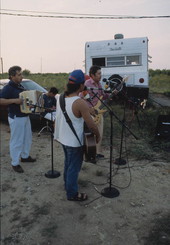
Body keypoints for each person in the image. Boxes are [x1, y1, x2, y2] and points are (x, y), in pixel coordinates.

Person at [54, 69, 100, 201]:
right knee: (74, 167)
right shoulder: (80, 102)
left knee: (68, 163)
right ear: (81, 86)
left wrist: (87, 109)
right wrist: (98, 136)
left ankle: (67, 185)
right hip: (74, 142)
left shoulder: (61, 97)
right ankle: (72, 194)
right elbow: (91, 125)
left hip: (63, 138)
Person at [0, 66, 36, 173]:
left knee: (27, 138)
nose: (22, 76)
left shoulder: (19, 86)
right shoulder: (8, 87)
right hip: (16, 118)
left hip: (25, 116)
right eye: (19, 74)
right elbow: (1, 101)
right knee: (17, 141)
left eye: (21, 74)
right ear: (12, 76)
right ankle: (15, 163)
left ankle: (25, 156)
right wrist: (15, 101)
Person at [80, 65, 109, 159]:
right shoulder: (87, 84)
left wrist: (111, 93)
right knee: (91, 134)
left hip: (98, 112)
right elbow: (81, 98)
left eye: (101, 73)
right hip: (90, 113)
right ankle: (90, 154)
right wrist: (89, 108)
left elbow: (103, 96)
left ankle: (96, 152)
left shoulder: (99, 84)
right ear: (92, 75)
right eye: (98, 73)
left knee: (99, 133)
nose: (100, 75)